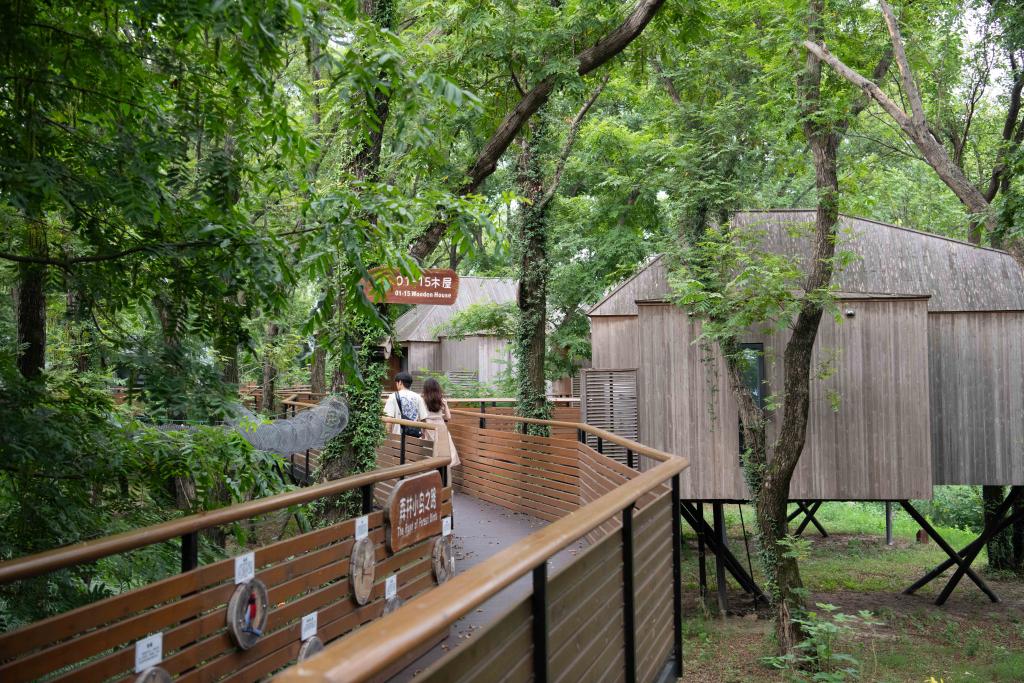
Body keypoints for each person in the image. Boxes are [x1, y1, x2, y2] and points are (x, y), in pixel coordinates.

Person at [421, 377, 460, 468]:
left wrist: (422, 431)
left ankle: (433, 471)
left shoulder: (422, 401)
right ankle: (445, 470)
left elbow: (421, 418)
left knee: (432, 450)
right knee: (446, 449)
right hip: (441, 426)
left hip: (429, 426)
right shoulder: (441, 400)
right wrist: (445, 405)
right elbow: (448, 417)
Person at [383, 371, 428, 437]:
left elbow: (388, 420)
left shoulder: (393, 396)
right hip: (415, 438)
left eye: (396, 383)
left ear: (400, 382)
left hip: (398, 437)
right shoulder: (418, 397)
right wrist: (423, 436)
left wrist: (387, 437)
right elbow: (423, 419)